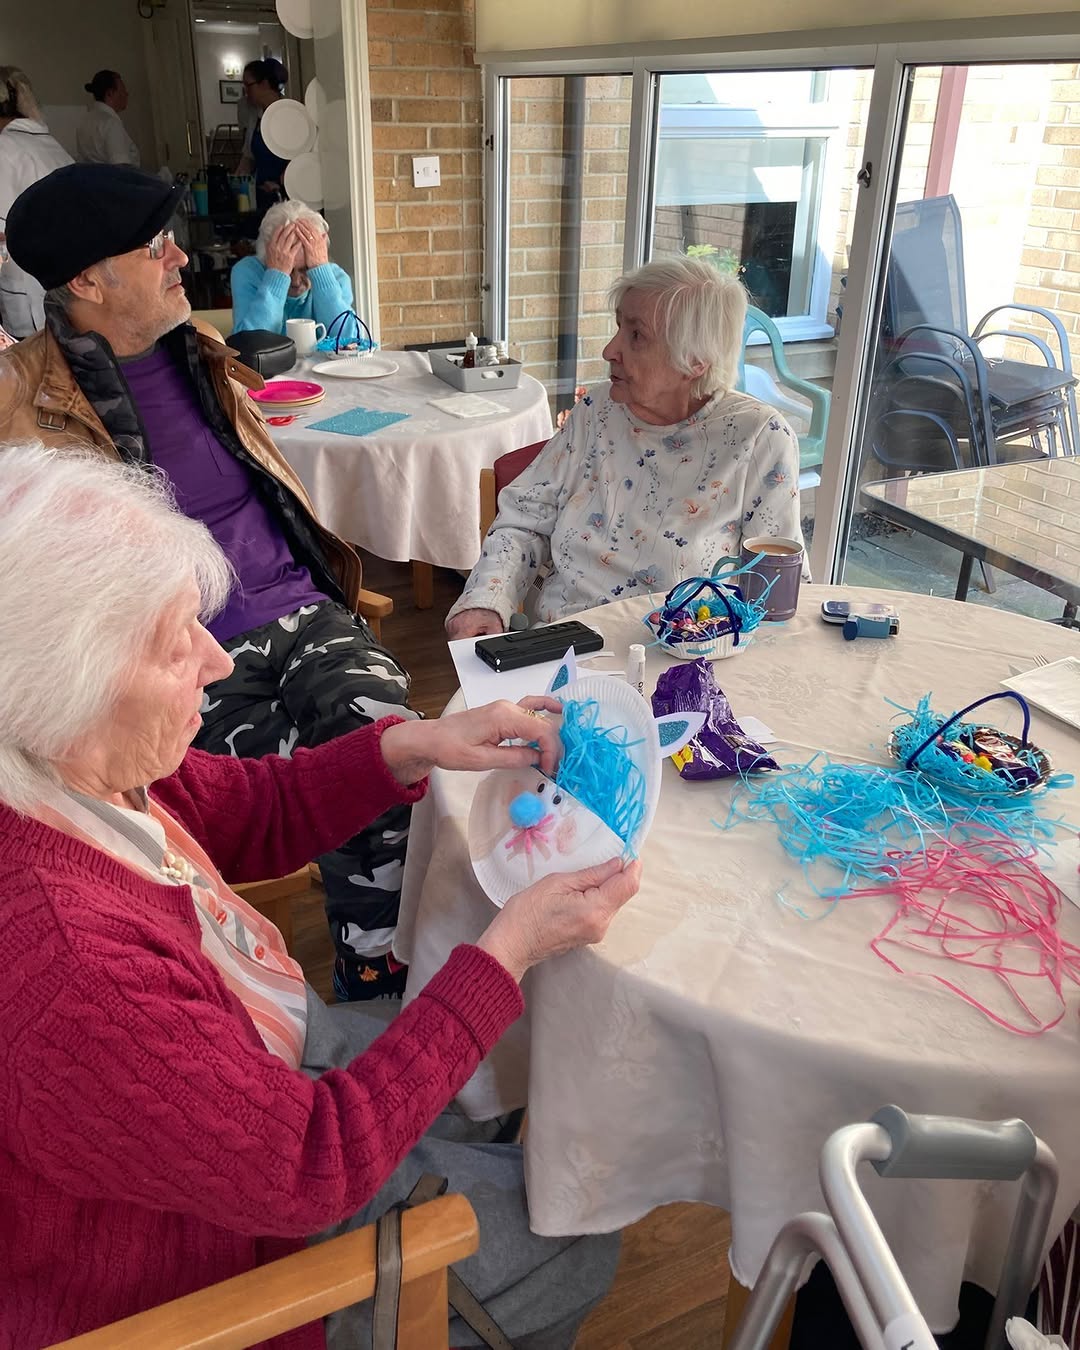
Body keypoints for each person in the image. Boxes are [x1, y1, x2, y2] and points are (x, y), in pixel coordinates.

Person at [0, 440, 636, 1350]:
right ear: (59, 691)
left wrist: (414, 746)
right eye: (173, 644)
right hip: (219, 1257)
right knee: (581, 1236)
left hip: (265, 1063)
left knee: (524, 1074)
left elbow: (251, 808)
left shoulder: (64, 760)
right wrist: (507, 950)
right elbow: (310, 1164)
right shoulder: (64, 965)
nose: (218, 661)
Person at [1, 162, 414, 1001]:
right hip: (173, 654)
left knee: (386, 737)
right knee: (315, 774)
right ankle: (369, 983)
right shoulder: (16, 404)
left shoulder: (202, 352)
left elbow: (316, 366)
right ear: (87, 281)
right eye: (155, 246)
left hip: (301, 609)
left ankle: (376, 970)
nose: (181, 258)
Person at [445, 257, 805, 639]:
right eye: (619, 327)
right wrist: (487, 600)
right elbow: (526, 518)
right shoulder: (597, 410)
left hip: (689, 656)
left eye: (636, 335)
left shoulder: (758, 437)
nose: (609, 350)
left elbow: (776, 592)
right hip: (565, 645)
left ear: (695, 361)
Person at [0, 66, 72, 337]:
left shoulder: (5, 148)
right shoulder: (50, 144)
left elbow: (2, 231)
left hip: (29, 293)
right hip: (62, 283)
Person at [231, 199, 353, 334]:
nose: (295, 282)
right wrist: (276, 275)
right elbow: (249, 343)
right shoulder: (248, 272)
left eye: (305, 269)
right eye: (288, 271)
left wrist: (320, 271)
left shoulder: (336, 278)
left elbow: (348, 340)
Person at [237, 56, 290, 218]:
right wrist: (238, 180)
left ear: (265, 84)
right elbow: (248, 157)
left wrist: (281, 183)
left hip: (285, 195)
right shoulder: (255, 116)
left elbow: (300, 158)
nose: (246, 92)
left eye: (248, 85)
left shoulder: (290, 114)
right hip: (261, 192)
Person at [76, 69, 140, 167]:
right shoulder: (111, 124)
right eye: (122, 90)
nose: (126, 94)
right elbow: (121, 167)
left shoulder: (84, 122)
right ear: (110, 93)